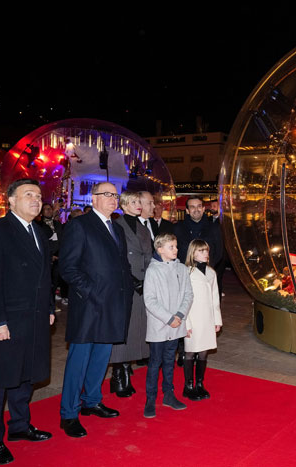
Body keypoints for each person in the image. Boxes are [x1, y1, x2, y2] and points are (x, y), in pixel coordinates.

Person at [0, 178, 55, 465]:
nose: (36, 200)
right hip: (7, 319)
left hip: (34, 317)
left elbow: (45, 277)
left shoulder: (40, 232)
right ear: (11, 200)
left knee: (26, 376)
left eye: (38, 195)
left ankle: (20, 427)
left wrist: (49, 308)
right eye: (28, 195)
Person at [58, 182, 134, 438]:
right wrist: (91, 292)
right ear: (94, 199)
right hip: (90, 306)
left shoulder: (117, 228)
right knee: (79, 360)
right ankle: (69, 413)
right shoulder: (80, 225)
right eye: (108, 195)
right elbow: (68, 268)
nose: (114, 199)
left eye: (116, 195)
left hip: (113, 304)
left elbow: (120, 265)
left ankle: (92, 401)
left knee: (102, 356)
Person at [143, 233, 193, 418]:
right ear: (160, 249)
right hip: (160, 325)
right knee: (155, 362)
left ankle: (169, 395)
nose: (176, 249)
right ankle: (150, 399)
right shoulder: (153, 271)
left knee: (170, 361)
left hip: (177, 323)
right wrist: (168, 318)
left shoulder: (182, 268)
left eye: (176, 246)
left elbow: (188, 294)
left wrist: (179, 315)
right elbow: (150, 300)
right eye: (171, 247)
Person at [109, 191, 151, 397]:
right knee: (125, 328)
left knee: (137, 329)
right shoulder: (117, 226)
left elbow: (149, 256)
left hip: (144, 284)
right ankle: (119, 374)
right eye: (134, 202)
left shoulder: (143, 228)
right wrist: (133, 280)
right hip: (127, 284)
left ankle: (125, 369)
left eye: (139, 202)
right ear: (124, 205)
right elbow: (117, 257)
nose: (139, 205)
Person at [173, 196, 221, 365]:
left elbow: (219, 251)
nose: (196, 209)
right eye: (192, 207)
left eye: (199, 206)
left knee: (203, 313)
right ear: (187, 210)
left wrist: (208, 271)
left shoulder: (214, 228)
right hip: (184, 275)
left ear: (203, 208)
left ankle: (200, 350)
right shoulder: (178, 228)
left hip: (205, 276)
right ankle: (183, 349)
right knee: (185, 310)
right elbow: (175, 253)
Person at [182, 239, 222, 401]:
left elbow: (215, 299)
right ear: (193, 253)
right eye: (201, 251)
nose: (205, 254)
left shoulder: (212, 272)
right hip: (192, 317)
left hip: (207, 318)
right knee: (190, 352)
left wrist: (217, 320)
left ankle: (200, 384)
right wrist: (186, 322)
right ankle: (188, 386)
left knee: (204, 353)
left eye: (206, 250)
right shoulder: (186, 272)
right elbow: (183, 299)